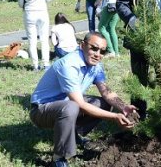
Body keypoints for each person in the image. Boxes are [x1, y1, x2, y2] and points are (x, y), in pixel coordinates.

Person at [30, 32, 138, 167]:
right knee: (71, 107)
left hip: (66, 103)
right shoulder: (69, 64)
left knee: (102, 103)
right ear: (82, 46)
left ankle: (72, 135)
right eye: (94, 48)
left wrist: (123, 107)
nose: (98, 54)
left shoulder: (96, 65)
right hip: (41, 110)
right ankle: (58, 158)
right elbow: (79, 103)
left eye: (102, 51)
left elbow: (106, 92)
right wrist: (115, 116)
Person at [15, 0, 54, 71]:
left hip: (29, 14)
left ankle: (35, 65)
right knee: (44, 39)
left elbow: (20, 4)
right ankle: (46, 64)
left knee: (32, 40)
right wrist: (42, 1)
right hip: (42, 12)